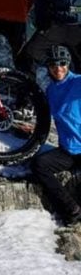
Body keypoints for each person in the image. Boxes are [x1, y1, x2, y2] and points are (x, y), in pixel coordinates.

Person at [30, 45, 81, 226]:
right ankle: (72, 209)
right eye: (53, 64)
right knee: (39, 165)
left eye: (62, 63)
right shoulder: (51, 91)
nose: (58, 68)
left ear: (68, 65)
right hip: (67, 151)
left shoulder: (77, 82)